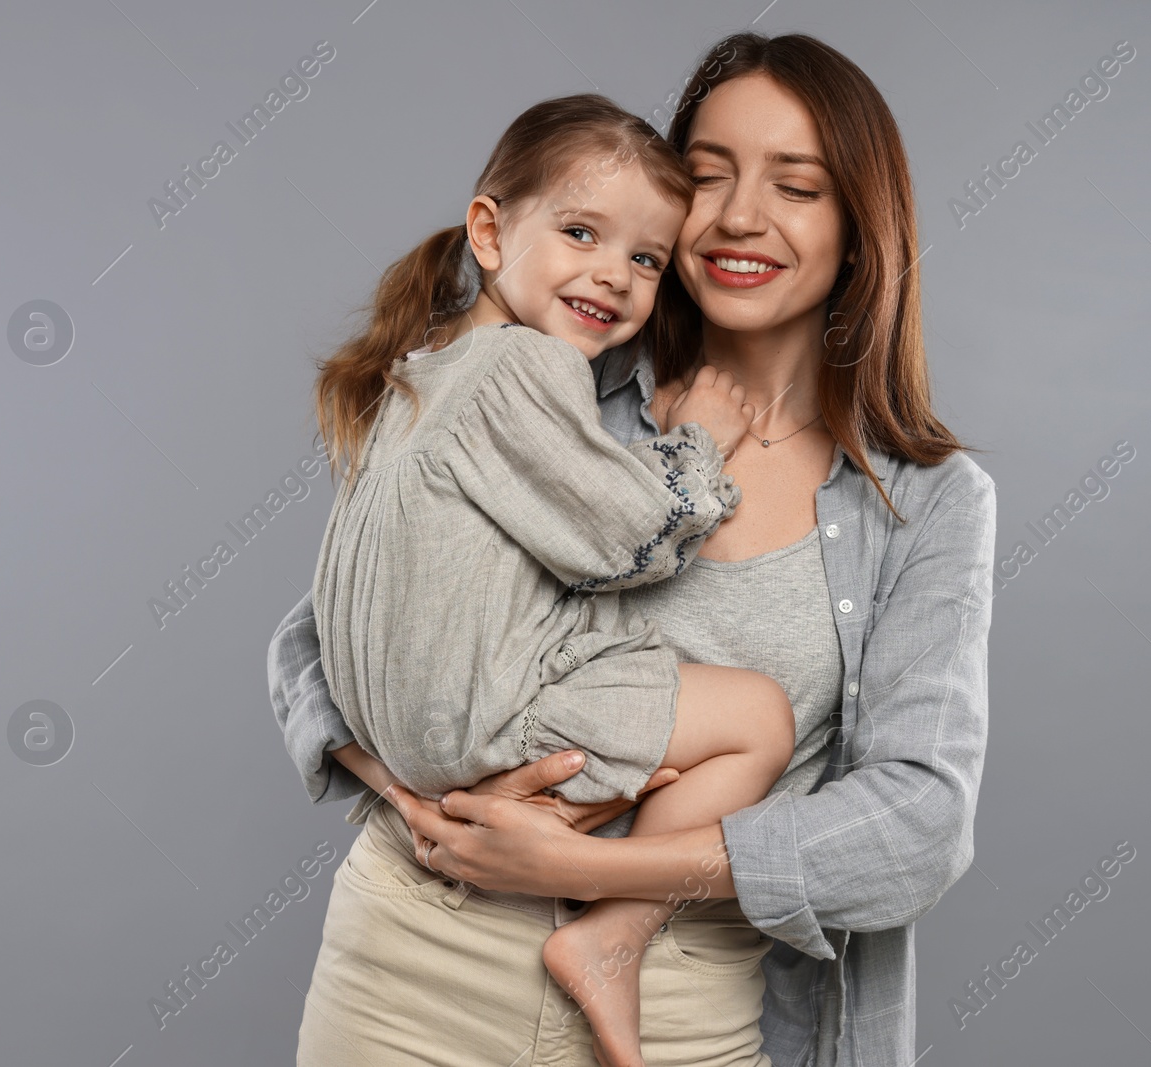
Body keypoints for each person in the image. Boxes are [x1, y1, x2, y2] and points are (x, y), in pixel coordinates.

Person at [271, 30, 997, 1067]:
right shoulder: (558, 385)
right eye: (708, 177)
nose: (740, 215)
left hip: (676, 1014)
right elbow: (314, 643)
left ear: (858, 229)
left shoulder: (922, 502)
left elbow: (917, 823)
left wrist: (617, 874)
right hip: (413, 965)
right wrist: (431, 805)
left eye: (796, 187)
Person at [308, 92, 797, 1066]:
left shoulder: (416, 373)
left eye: (646, 259)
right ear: (488, 231)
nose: (613, 276)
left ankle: (601, 915)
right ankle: (613, 927)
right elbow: (625, 538)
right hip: (491, 724)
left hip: (408, 746)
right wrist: (701, 445)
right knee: (758, 717)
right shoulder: (522, 371)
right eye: (581, 232)